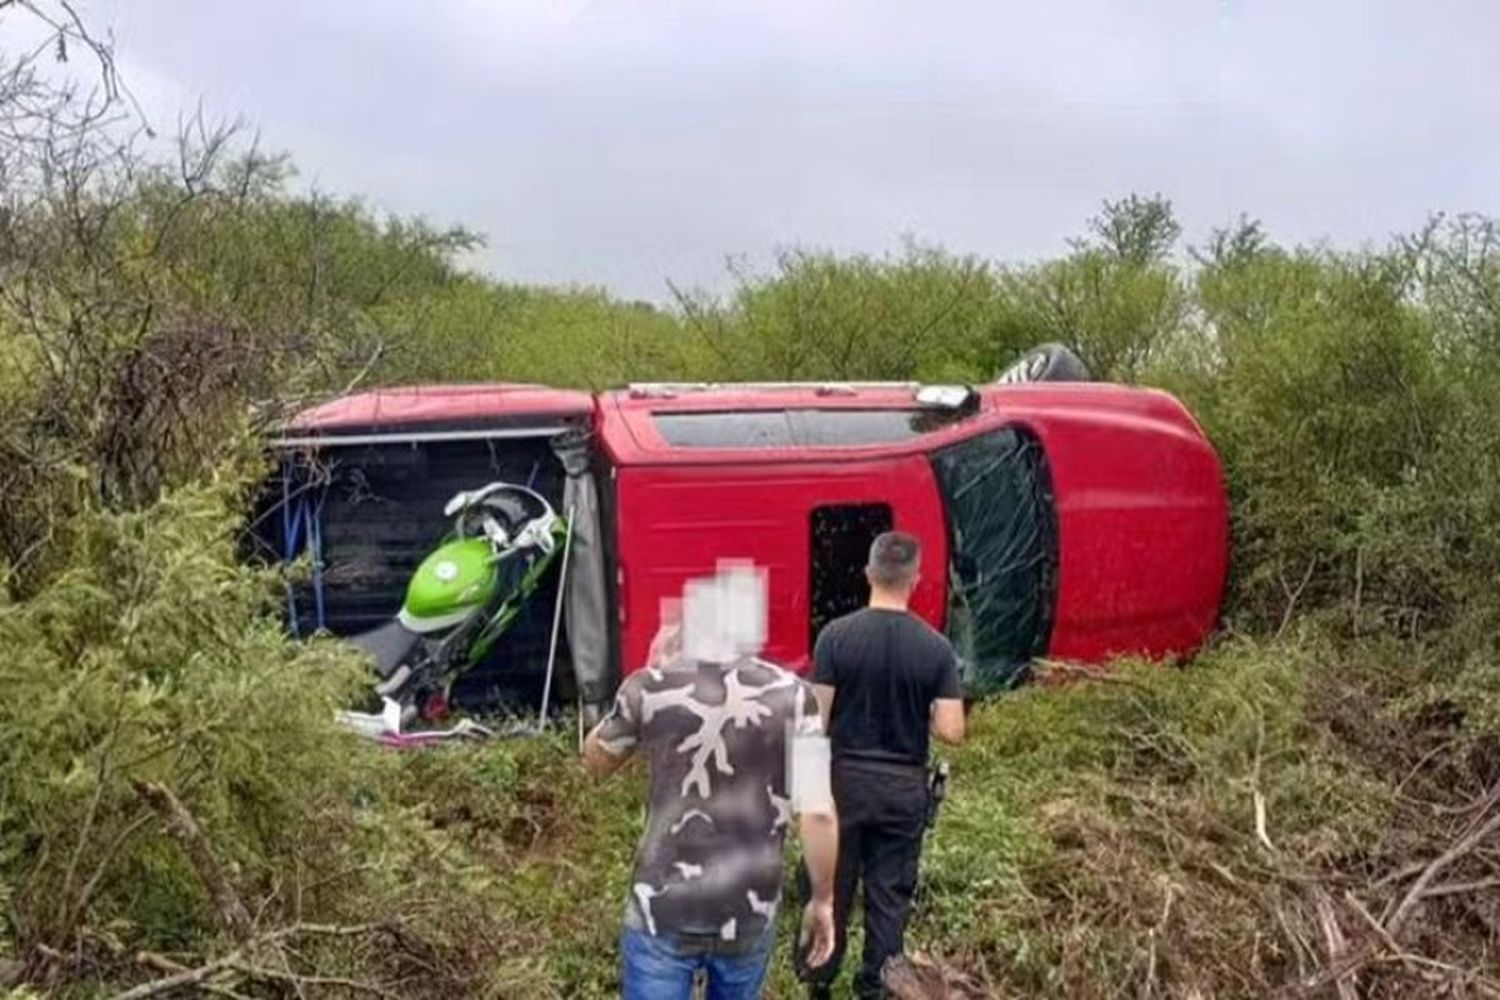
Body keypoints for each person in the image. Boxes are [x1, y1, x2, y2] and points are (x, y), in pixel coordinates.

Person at [583, 565, 839, 1000]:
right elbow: (817, 811)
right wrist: (823, 901)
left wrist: (649, 670)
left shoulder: (650, 688)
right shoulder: (796, 696)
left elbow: (592, 763)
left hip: (660, 909)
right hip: (748, 909)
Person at [801, 531, 966, 999]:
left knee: (831, 886)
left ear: (869, 574)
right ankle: (877, 988)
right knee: (889, 900)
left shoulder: (836, 637)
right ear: (915, 579)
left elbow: (816, 719)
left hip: (843, 785)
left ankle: (818, 981)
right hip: (902, 789)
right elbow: (952, 730)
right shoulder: (935, 648)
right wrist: (925, 710)